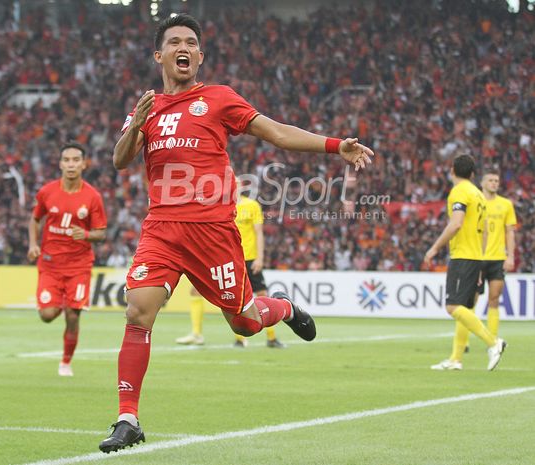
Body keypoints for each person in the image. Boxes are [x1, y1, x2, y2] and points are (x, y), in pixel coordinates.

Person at [99, 14, 373, 453]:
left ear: (200, 56)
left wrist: (333, 144)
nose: (183, 48)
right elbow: (120, 160)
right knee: (138, 311)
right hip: (163, 229)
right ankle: (128, 417)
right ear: (160, 55)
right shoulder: (145, 108)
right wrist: (135, 125)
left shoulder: (219, 99)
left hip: (212, 232)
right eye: (174, 42)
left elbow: (277, 133)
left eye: (191, 42)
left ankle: (281, 307)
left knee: (244, 323)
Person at [27, 142, 107, 377]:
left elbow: (101, 232)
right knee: (47, 316)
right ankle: (62, 301)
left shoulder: (92, 196)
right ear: (61, 164)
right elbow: (34, 219)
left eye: (76, 160)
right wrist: (33, 244)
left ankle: (65, 362)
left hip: (79, 265)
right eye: (67, 160)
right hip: (50, 264)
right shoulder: (47, 192)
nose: (71, 164)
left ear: (83, 164)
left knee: (73, 316)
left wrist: (88, 235)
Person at [176, 180, 285, 348]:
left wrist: (260, 258)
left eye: (237, 183)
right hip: (226, 258)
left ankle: (271, 337)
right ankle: (205, 335)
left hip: (248, 257)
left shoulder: (251, 205)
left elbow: (259, 233)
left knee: (261, 293)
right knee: (204, 291)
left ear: (241, 187)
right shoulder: (219, 205)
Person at [424, 155, 506, 371]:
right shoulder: (479, 195)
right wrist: (481, 258)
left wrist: (435, 247)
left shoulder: (460, 192)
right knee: (466, 306)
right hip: (477, 256)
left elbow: (456, 224)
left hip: (463, 256)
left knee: (453, 306)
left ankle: (493, 342)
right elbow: (486, 230)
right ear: (472, 174)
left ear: (452, 170)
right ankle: (456, 359)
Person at [460, 169, 517, 356]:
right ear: (482, 183)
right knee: (470, 301)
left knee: (494, 299)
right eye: (491, 180)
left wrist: (510, 256)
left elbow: (510, 232)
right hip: (476, 257)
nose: (494, 183)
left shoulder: (506, 204)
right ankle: (464, 341)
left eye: (497, 180)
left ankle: (492, 342)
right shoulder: (476, 202)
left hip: (497, 258)